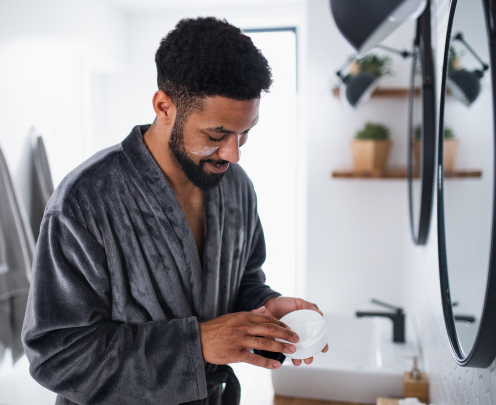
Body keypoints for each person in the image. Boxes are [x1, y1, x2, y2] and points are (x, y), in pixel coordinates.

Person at [21, 16, 327, 405]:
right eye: (216, 135)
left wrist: (266, 309)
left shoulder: (236, 187)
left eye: (245, 133)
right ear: (164, 106)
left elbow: (242, 281)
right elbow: (57, 356)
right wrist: (195, 343)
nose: (233, 154)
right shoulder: (84, 202)